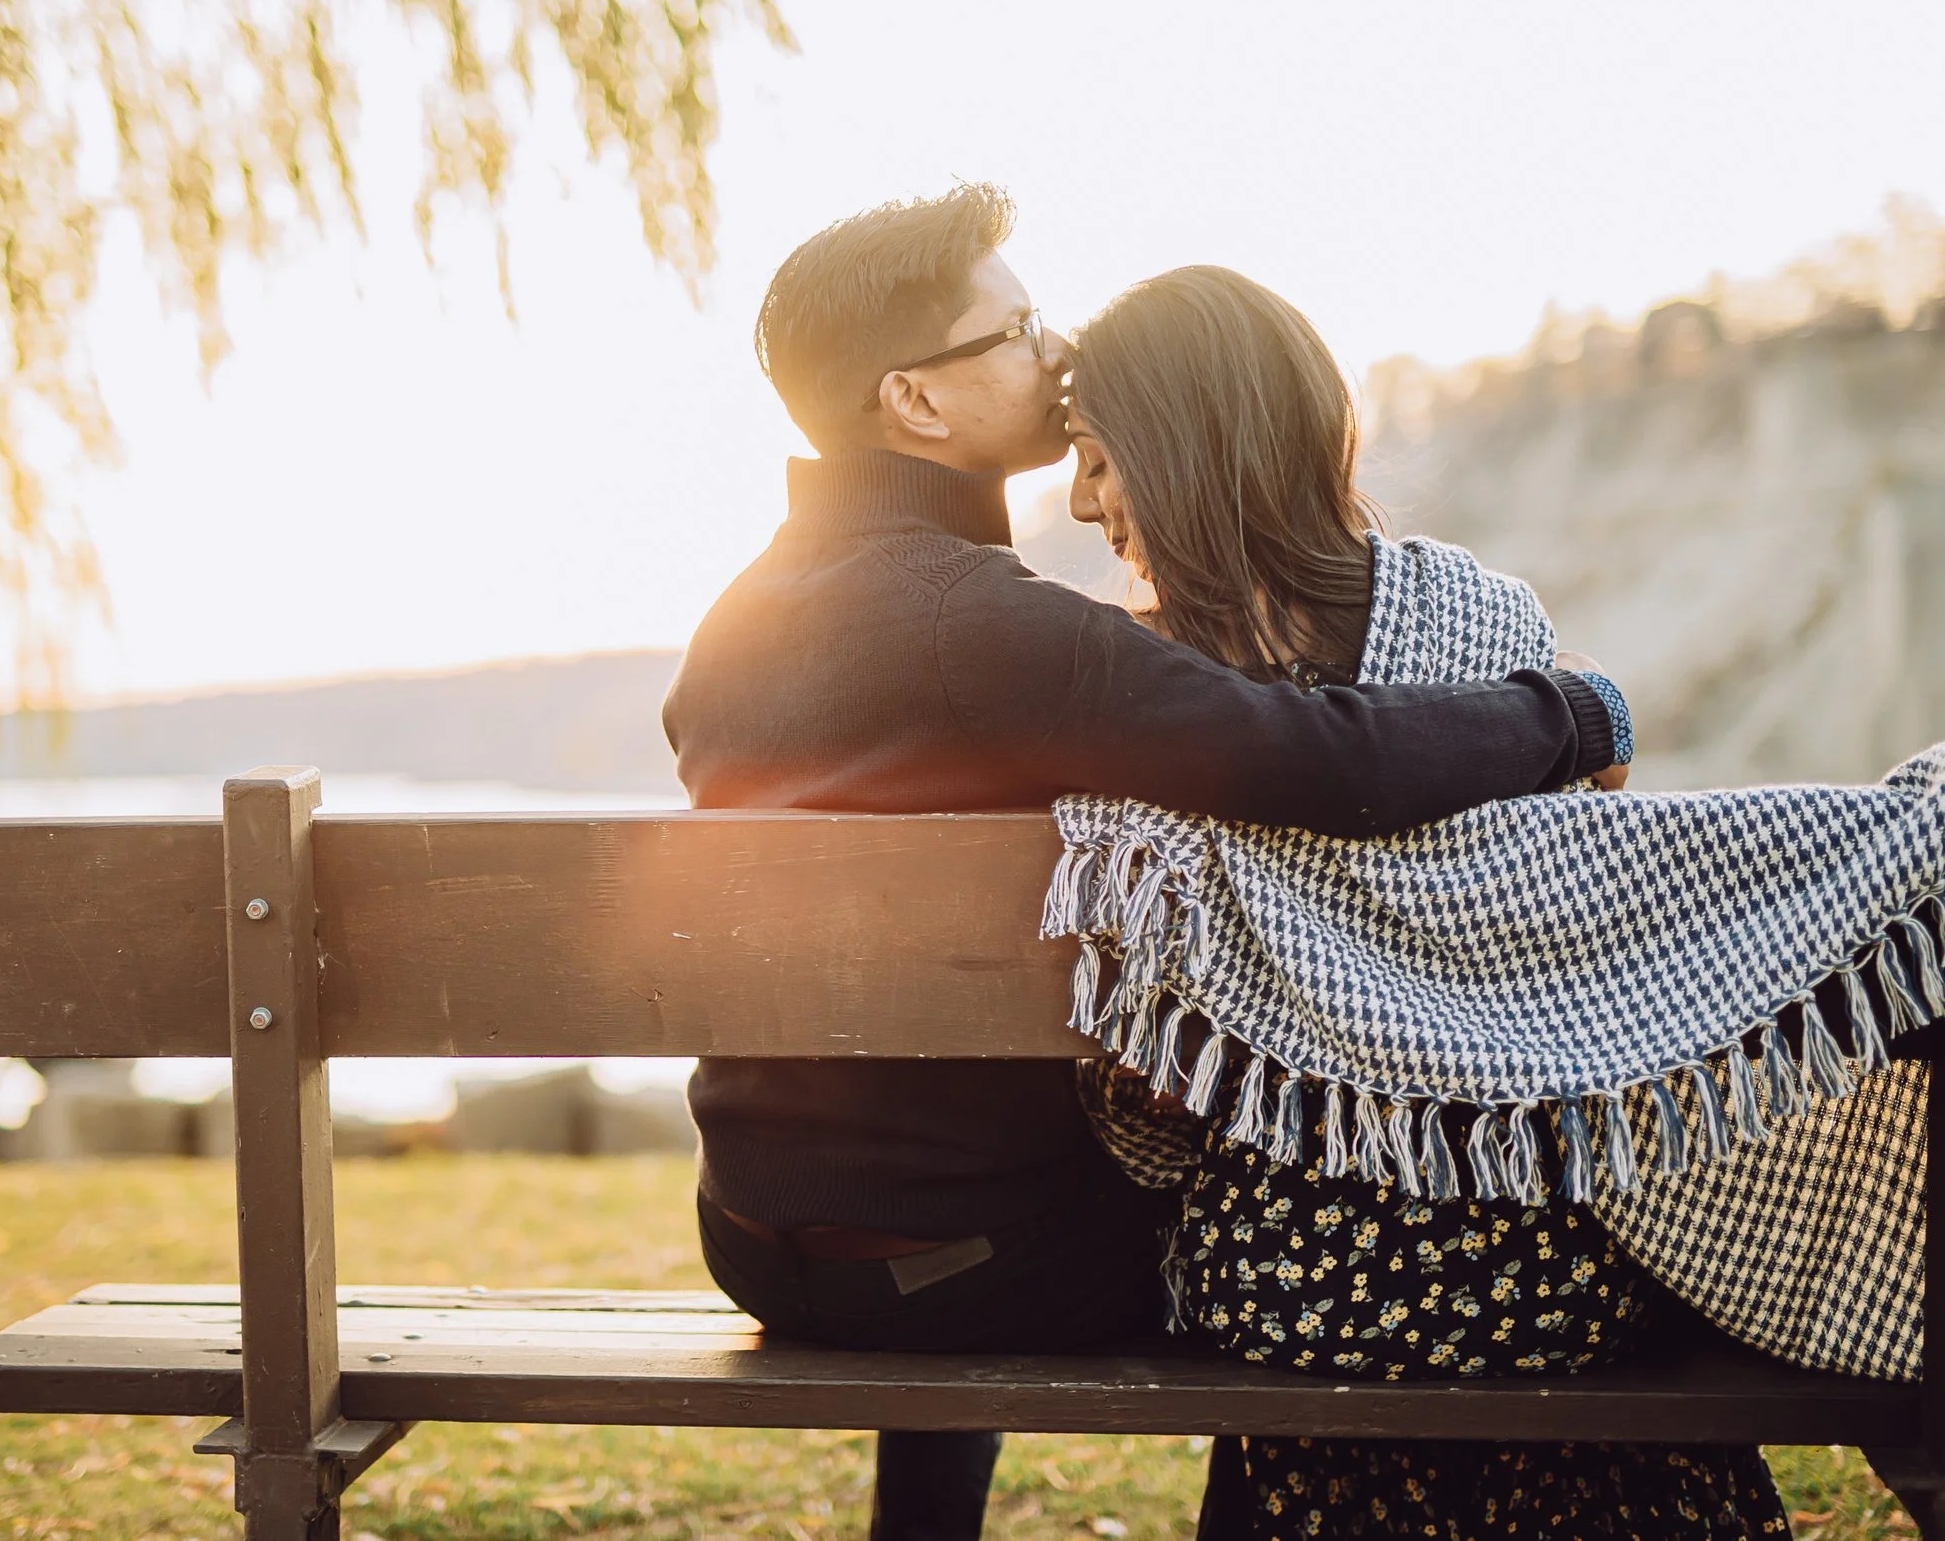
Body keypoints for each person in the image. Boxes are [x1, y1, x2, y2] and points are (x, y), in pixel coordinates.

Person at [661, 185, 1633, 1541]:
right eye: (1015, 329)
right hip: (971, 1261)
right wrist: (1571, 711)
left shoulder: (732, 624)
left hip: (755, 1230)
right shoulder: (990, 628)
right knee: (1275, 1214)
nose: (1055, 356)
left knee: (973, 1136)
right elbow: (1315, 755)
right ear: (919, 407)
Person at [1060, 263, 1788, 1539]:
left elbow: (1150, 1113)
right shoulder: (1483, 617)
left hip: (1285, 1285)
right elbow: (1579, 959)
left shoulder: (1145, 685)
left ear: (1176, 449)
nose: (1079, 501)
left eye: (1096, 455)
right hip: (1548, 1273)